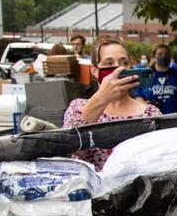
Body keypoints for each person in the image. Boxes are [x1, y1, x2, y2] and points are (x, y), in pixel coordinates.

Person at [63, 35, 160, 170]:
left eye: (124, 62)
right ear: (95, 71)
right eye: (109, 63)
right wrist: (103, 97)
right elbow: (70, 144)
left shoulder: (150, 113)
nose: (118, 68)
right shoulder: (78, 107)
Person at [144, 43, 177, 114]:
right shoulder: (146, 76)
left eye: (166, 54)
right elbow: (138, 98)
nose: (164, 56)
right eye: (160, 54)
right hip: (153, 120)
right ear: (153, 57)